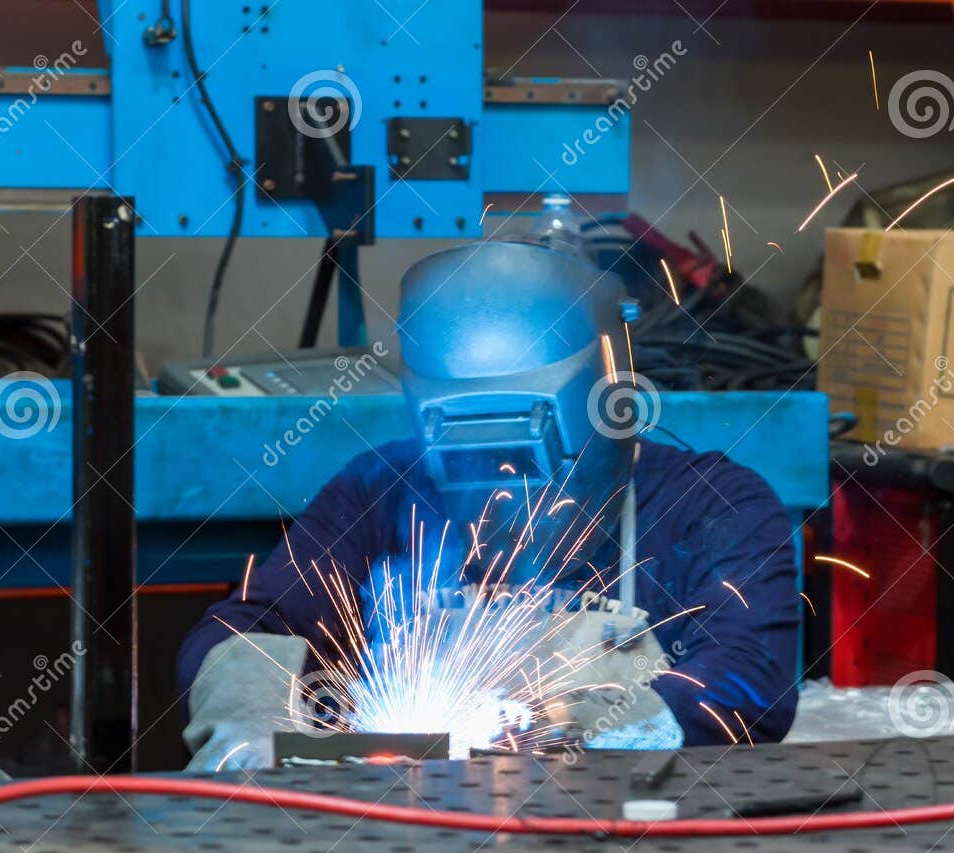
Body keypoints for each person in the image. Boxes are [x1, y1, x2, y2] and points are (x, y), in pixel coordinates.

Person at [178, 239, 799, 771]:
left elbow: (748, 676)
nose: (500, 484)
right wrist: (252, 726)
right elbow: (245, 629)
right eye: (468, 453)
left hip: (628, 852)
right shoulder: (378, 491)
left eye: (525, 455)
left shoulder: (712, 506)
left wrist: (567, 726)